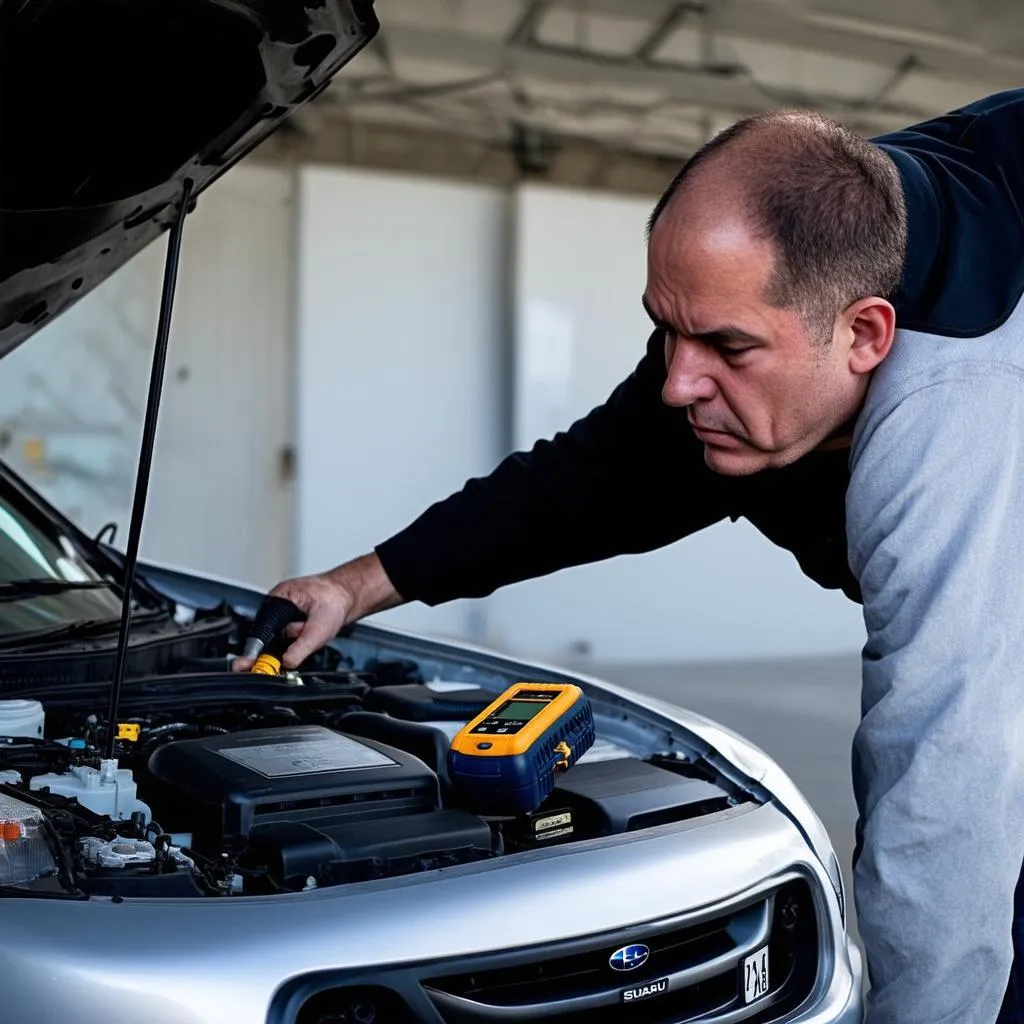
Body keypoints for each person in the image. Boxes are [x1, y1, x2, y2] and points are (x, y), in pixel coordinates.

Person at [233, 89, 1024, 1022]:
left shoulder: (954, 419)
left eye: (726, 347)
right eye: (667, 328)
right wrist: (354, 585)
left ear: (865, 335)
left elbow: (946, 781)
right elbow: (579, 485)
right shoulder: (825, 234)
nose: (681, 381)